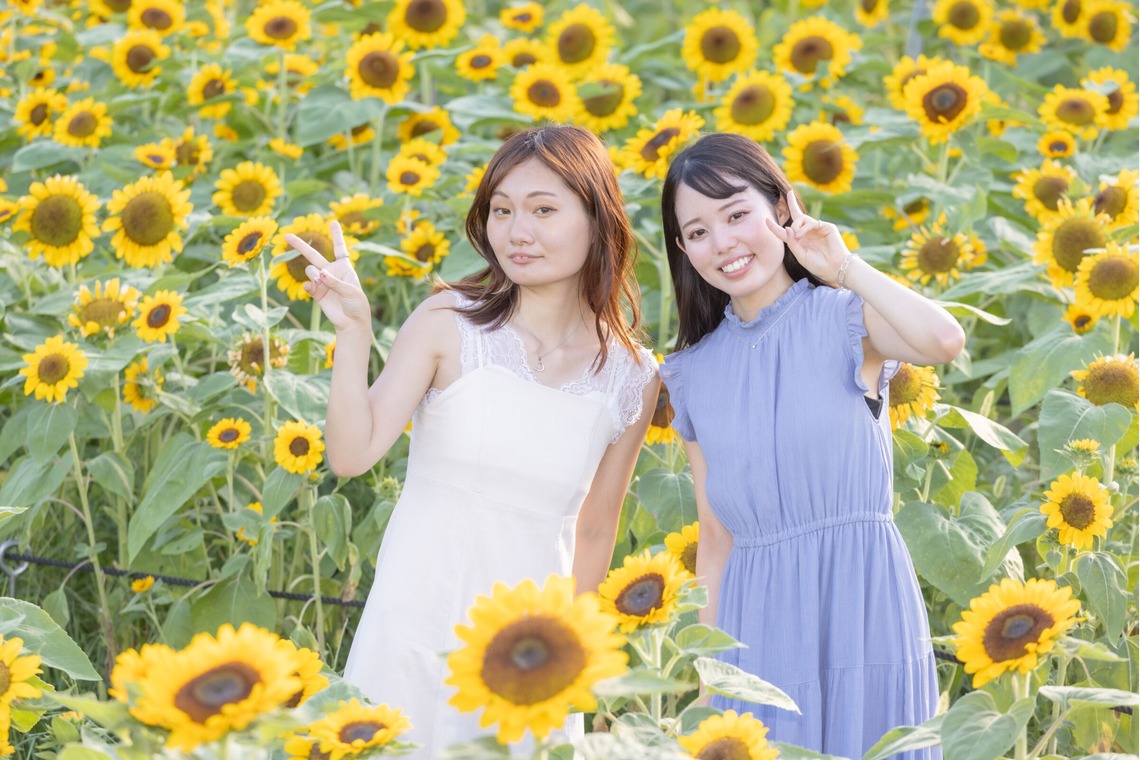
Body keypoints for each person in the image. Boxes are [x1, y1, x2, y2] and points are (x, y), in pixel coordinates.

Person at [286, 124, 658, 758]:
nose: (518, 231)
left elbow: (596, 528)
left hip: (532, 651)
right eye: (502, 210)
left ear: (598, 221)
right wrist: (353, 336)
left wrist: (579, 662)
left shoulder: (632, 372)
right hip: (417, 617)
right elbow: (351, 456)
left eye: (544, 210)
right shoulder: (448, 322)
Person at [659, 133, 961, 757]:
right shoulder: (692, 371)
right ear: (683, 250)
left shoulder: (845, 316)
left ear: (783, 207)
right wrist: (709, 680)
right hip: (755, 624)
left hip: (864, 603)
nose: (723, 244)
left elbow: (941, 341)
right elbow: (715, 542)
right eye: (697, 232)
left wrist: (843, 264)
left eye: (737, 214)